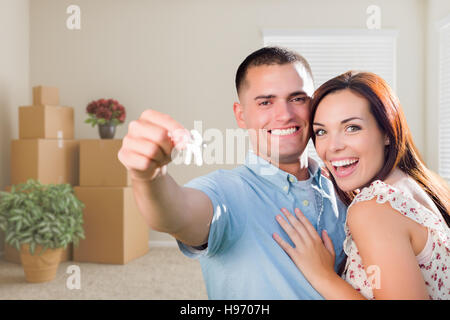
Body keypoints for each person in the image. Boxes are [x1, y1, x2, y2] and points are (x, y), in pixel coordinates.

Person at [117, 47, 347, 299]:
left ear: (313, 106)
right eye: (266, 102)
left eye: (297, 98)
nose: (285, 114)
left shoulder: (340, 185)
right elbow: (176, 215)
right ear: (241, 115)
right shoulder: (226, 190)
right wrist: (148, 177)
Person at [273, 71, 450, 300]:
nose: (333, 146)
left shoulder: (374, 208)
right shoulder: (414, 185)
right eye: (321, 131)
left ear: (387, 132)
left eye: (352, 128)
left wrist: (323, 276)